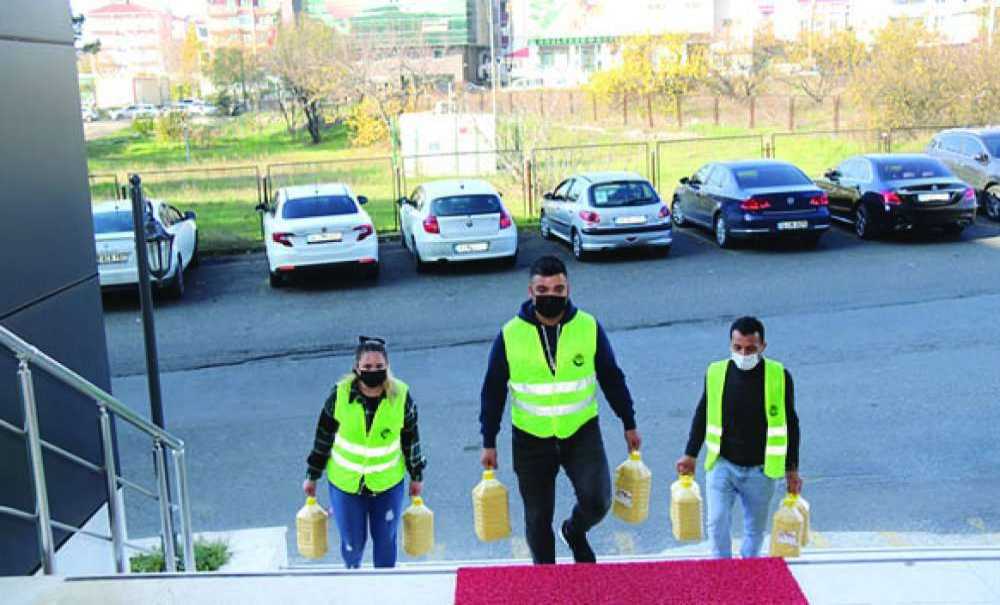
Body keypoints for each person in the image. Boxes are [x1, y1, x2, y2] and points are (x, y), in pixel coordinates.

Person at [480, 255, 641, 564]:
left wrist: (628, 421)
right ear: (530, 292)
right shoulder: (510, 335)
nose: (550, 296)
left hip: (581, 432)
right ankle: (547, 580)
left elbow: (611, 377)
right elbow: (493, 391)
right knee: (537, 518)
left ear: (568, 290)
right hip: (530, 439)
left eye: (558, 289)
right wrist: (489, 441)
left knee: (598, 501)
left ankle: (574, 531)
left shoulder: (588, 327)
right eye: (542, 290)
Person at [676, 316, 802, 559]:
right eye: (738, 347)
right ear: (730, 345)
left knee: (754, 532)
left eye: (751, 349)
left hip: (761, 471)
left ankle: (747, 572)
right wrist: (690, 454)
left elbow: (791, 425)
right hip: (723, 464)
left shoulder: (779, 375)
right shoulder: (716, 372)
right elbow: (703, 412)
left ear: (763, 346)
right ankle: (722, 572)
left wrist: (792, 469)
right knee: (716, 523)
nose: (744, 354)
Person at [303, 336, 426, 569]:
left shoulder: (401, 396)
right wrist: (312, 475)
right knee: (353, 543)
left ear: (387, 367)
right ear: (356, 368)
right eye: (367, 366)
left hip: (387, 485)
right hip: (345, 485)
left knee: (386, 542)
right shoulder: (339, 395)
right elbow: (323, 437)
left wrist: (416, 476)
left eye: (379, 366)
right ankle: (353, 580)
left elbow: (411, 440)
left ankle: (385, 584)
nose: (373, 371)